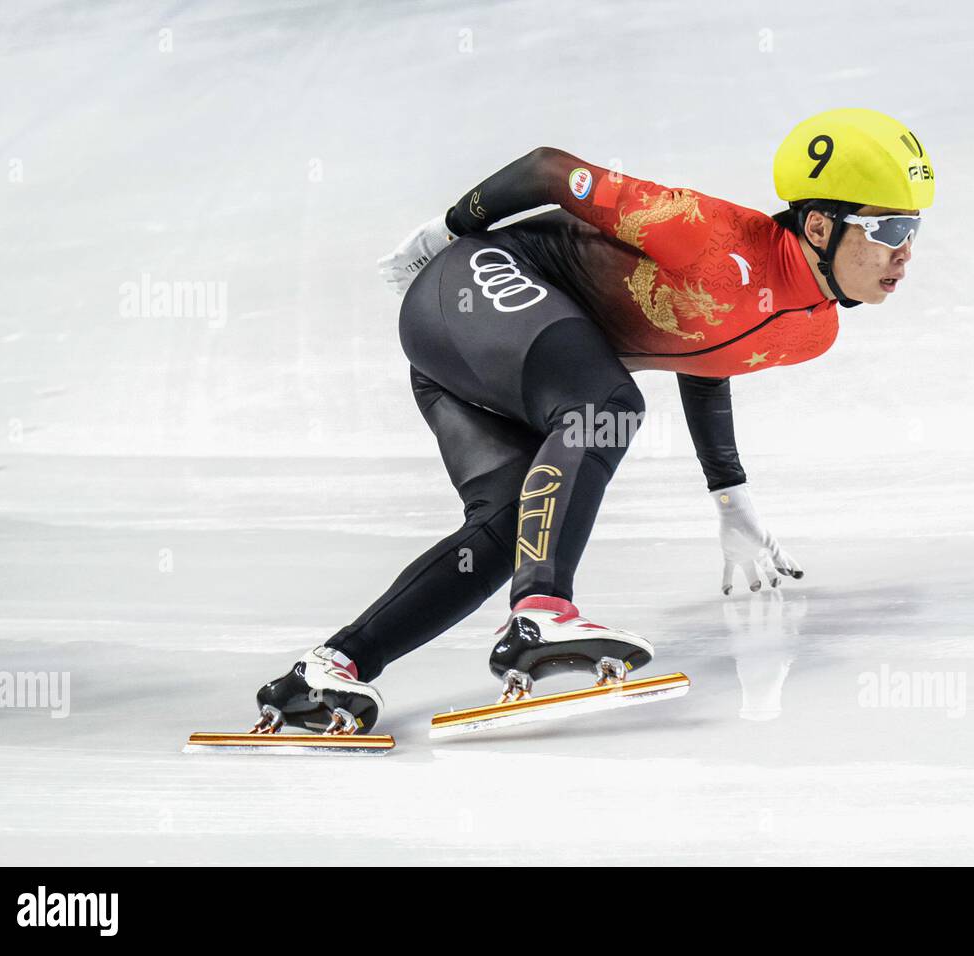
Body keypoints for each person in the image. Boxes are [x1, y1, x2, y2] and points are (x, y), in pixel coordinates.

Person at [252, 108, 935, 735]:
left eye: (915, 231)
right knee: (605, 406)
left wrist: (731, 497)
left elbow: (710, 357)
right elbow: (549, 169)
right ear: (819, 225)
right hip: (470, 285)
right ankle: (542, 612)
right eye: (891, 230)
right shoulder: (703, 233)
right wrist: (443, 234)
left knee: (508, 527)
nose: (906, 253)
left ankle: (327, 670)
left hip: (474, 368)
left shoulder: (812, 331)